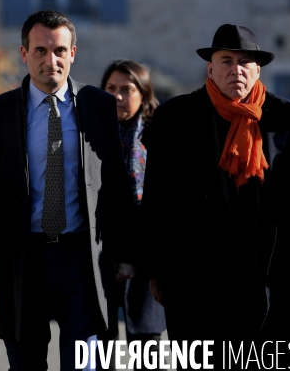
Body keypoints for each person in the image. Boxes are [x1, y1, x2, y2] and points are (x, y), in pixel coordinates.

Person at [141, 24, 290, 368]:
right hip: (196, 276)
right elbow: (157, 198)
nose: (236, 69)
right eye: (226, 60)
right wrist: (155, 268)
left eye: (245, 62)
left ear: (258, 69)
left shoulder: (288, 119)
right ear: (210, 68)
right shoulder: (175, 119)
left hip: (271, 272)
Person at [0, 10, 136, 370]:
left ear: (73, 53)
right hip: (21, 260)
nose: (50, 60)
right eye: (40, 50)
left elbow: (116, 184)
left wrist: (127, 251)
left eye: (59, 50)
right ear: (24, 54)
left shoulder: (99, 106)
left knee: (87, 366)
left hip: (83, 260)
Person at [98, 59, 165, 370]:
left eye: (126, 89)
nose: (117, 97)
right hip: (102, 249)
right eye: (110, 89)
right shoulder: (91, 134)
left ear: (144, 92)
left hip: (148, 248)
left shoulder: (161, 134)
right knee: (101, 342)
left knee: (147, 343)